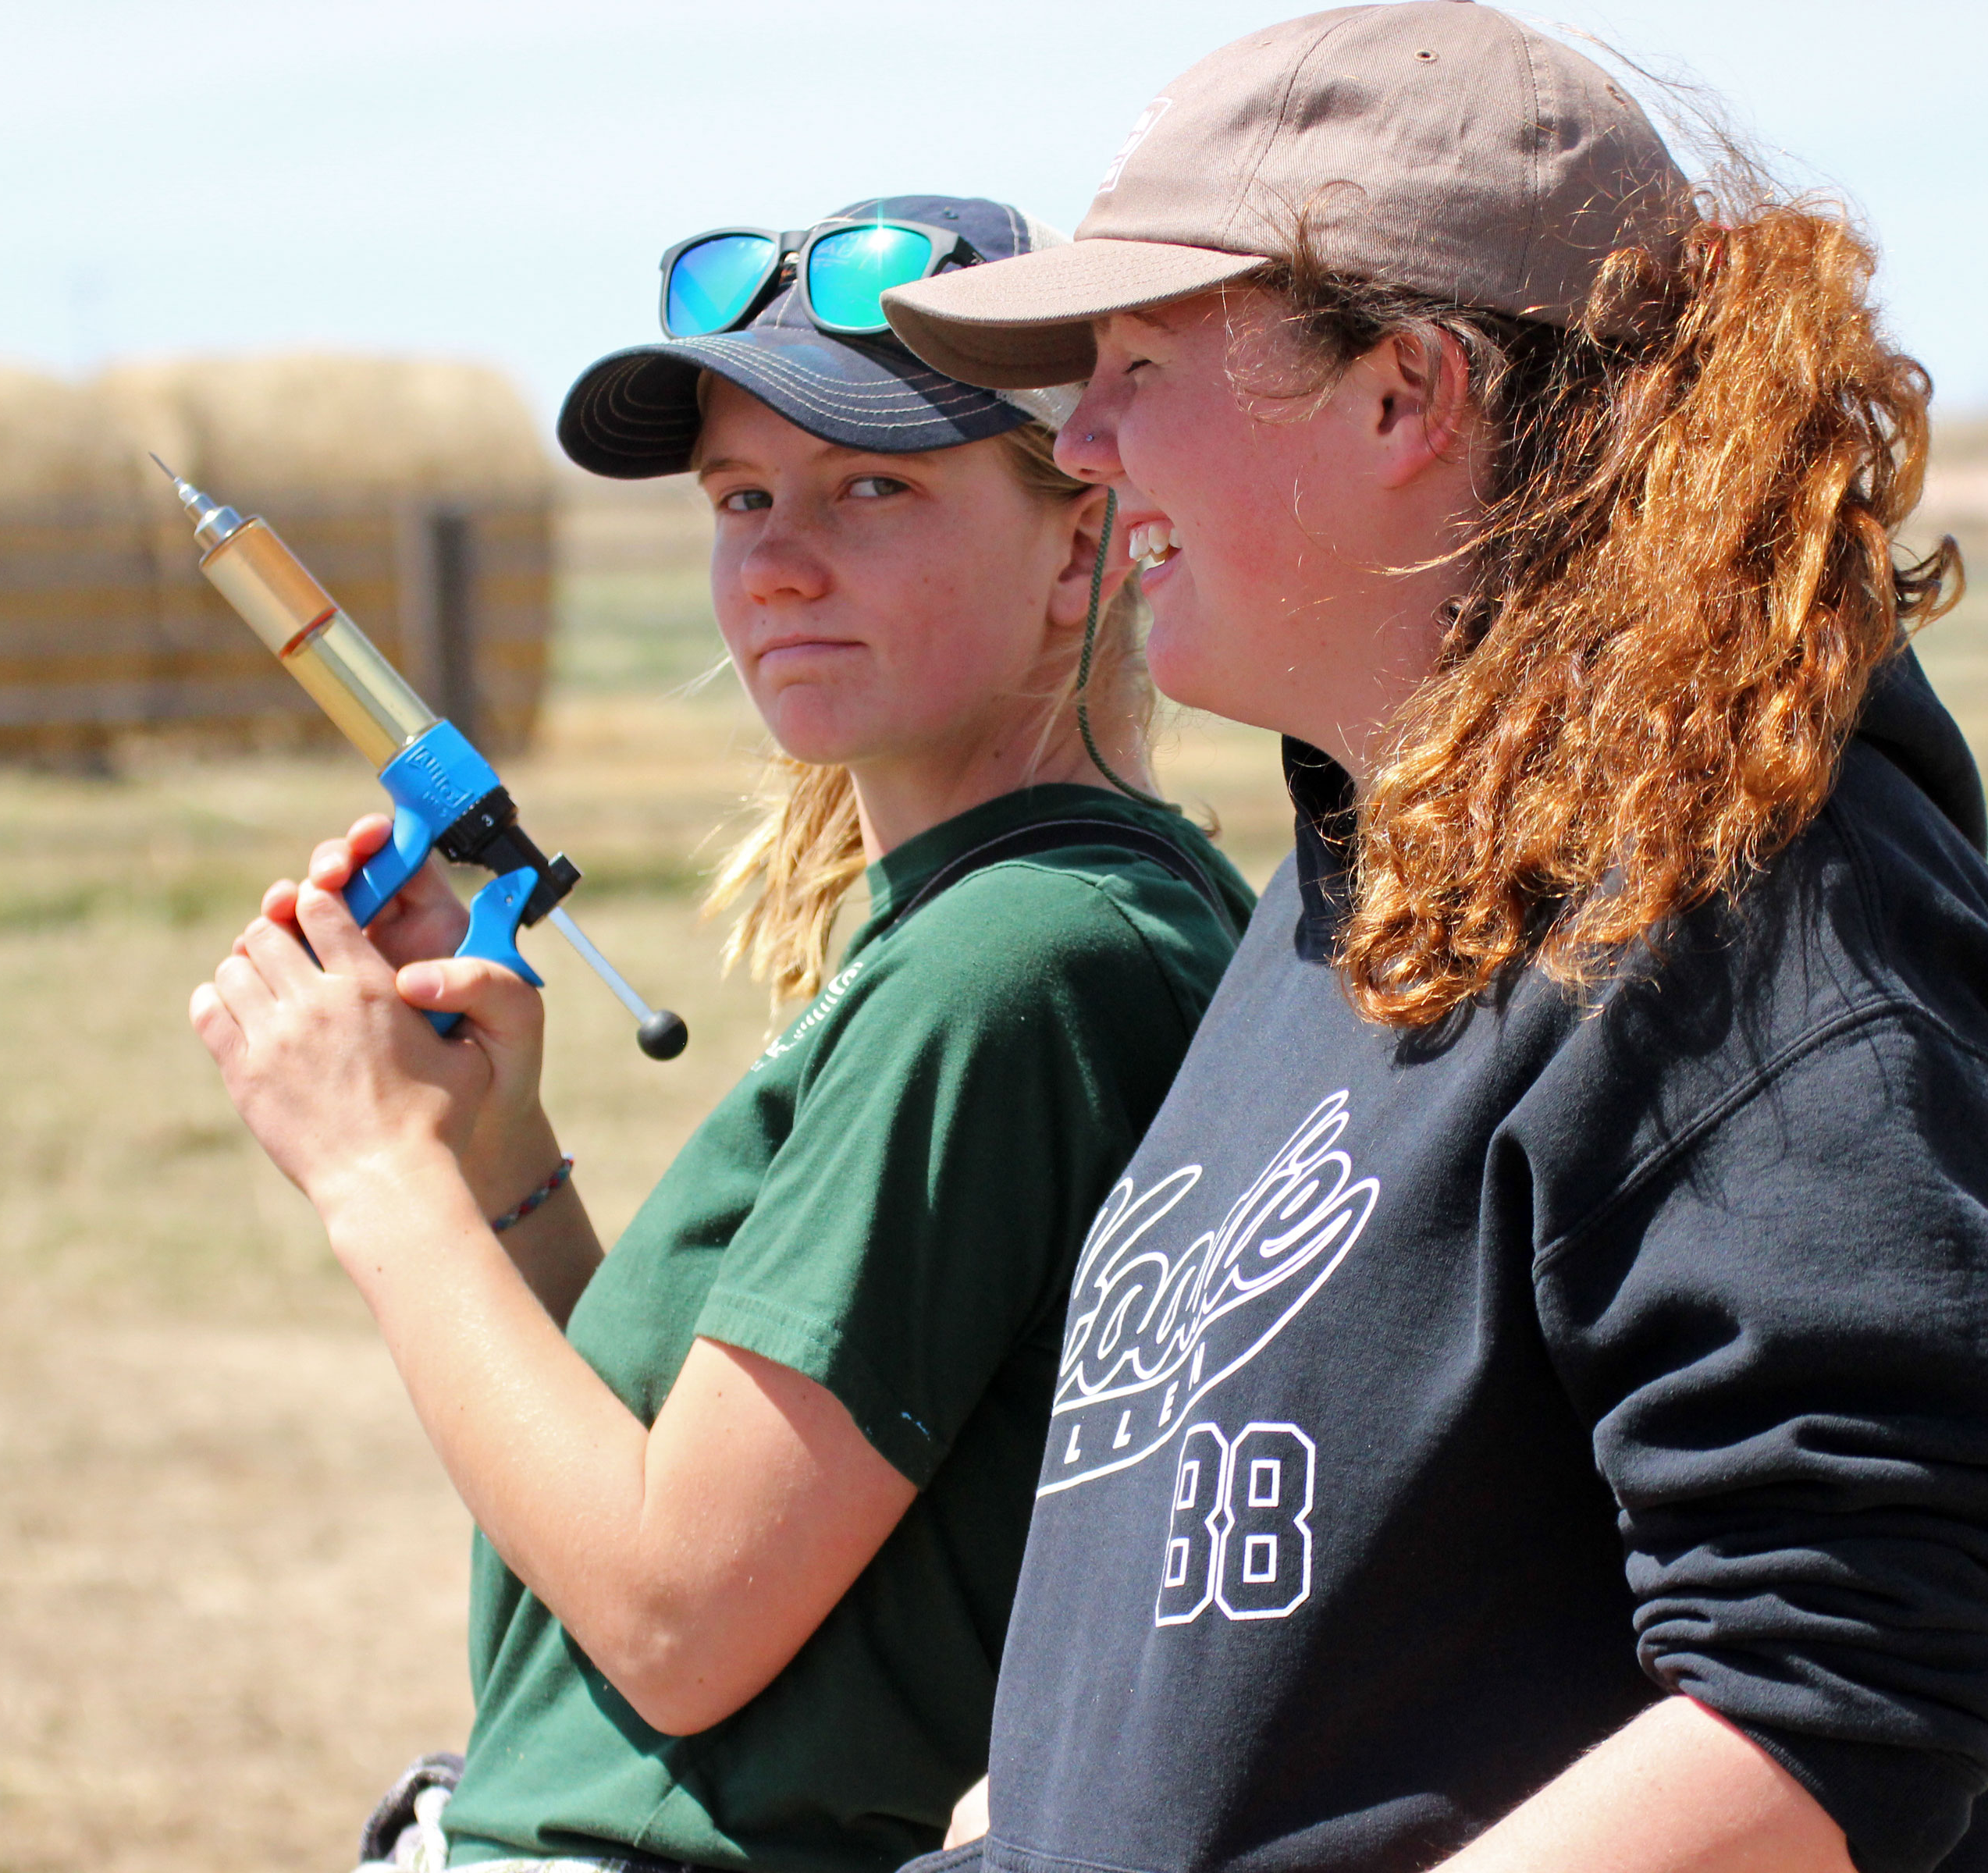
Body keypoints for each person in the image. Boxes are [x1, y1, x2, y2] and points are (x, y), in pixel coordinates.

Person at [878, 11, 1988, 1873]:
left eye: (1140, 361)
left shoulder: (1746, 924)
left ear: (1408, 390)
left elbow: (1837, 1696)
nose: (1085, 440)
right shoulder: (1365, 888)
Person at [188, 194, 1254, 1873]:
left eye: (873, 488)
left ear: (1082, 543)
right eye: (741, 498)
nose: (775, 559)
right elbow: (672, 1482)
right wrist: (496, 1154)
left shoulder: (1018, 960)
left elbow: (681, 1616)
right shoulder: (1025, 922)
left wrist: (374, 1180)